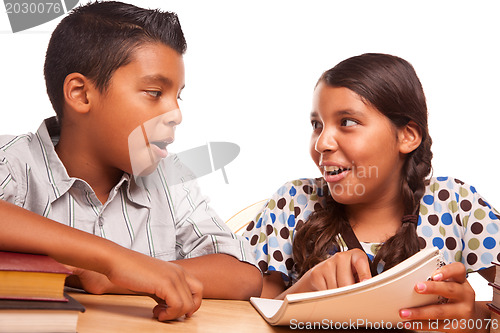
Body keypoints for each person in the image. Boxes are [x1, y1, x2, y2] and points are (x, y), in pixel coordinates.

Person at [0, 0, 261, 319]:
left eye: (177, 96)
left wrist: (116, 279)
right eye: (154, 92)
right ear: (81, 94)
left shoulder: (169, 179)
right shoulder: (12, 161)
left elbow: (243, 276)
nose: (176, 114)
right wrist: (112, 259)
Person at [243, 53, 499, 332]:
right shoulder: (292, 203)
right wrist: (300, 294)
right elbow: (245, 317)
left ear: (407, 136)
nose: (322, 143)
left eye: (347, 122)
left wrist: (476, 319)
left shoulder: (456, 204)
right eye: (317, 125)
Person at [0, 199, 201, 321]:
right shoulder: (10, 160)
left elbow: (231, 269)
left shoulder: (174, 178)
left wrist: (104, 277)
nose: (177, 124)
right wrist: (112, 260)